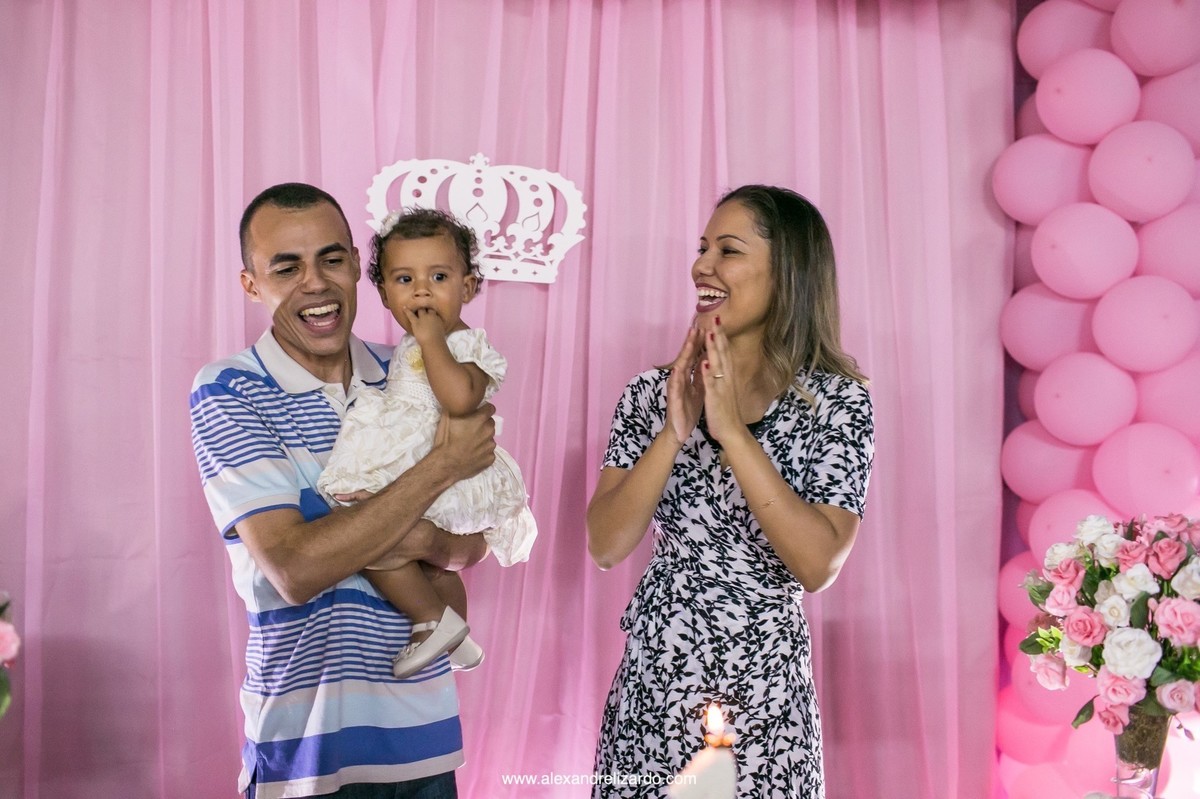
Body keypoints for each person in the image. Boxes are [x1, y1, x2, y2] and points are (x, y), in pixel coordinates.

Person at [189, 182, 493, 799]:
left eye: (331, 259)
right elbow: (295, 569)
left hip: (423, 741)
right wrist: (440, 468)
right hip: (304, 751)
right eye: (286, 267)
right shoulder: (230, 390)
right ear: (252, 283)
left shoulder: (414, 372)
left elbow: (474, 545)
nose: (316, 283)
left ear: (358, 264)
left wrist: (416, 535)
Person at [587, 185, 875, 798]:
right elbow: (606, 544)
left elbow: (817, 563)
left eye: (729, 250)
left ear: (788, 273)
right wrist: (673, 431)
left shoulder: (838, 401)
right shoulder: (649, 394)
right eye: (702, 247)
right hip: (655, 687)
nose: (702, 266)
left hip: (765, 700)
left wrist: (734, 436)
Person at [318, 207, 537, 679]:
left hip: (447, 461)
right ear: (382, 293)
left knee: (373, 536)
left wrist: (433, 338)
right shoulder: (406, 343)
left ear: (468, 287)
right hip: (411, 451)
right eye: (403, 279)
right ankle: (455, 633)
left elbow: (459, 400)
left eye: (438, 276)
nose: (420, 290)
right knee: (425, 562)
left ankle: (430, 621)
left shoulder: (467, 345)